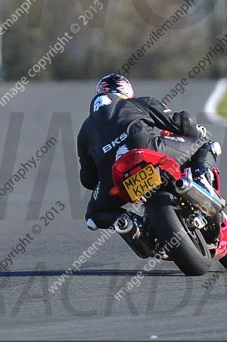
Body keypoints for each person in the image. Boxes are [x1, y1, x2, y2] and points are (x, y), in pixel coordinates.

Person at [77, 73, 216, 231]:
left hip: (114, 177)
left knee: (93, 215)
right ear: (127, 91)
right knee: (205, 143)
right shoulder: (138, 103)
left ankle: (134, 225)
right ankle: (201, 177)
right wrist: (196, 130)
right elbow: (183, 122)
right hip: (149, 151)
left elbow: (88, 180)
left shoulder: (84, 132)